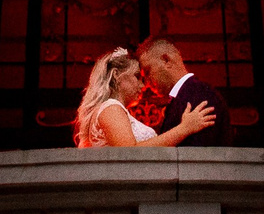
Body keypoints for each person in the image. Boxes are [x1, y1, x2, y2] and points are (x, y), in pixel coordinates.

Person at [76, 46, 216, 148]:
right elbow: (129, 153)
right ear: (117, 75)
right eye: (137, 77)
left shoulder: (111, 109)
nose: (143, 86)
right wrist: (184, 128)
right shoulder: (111, 107)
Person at [137, 36, 230, 149]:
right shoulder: (191, 94)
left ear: (166, 60)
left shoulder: (199, 96)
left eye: (148, 71)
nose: (146, 83)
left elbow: (197, 155)